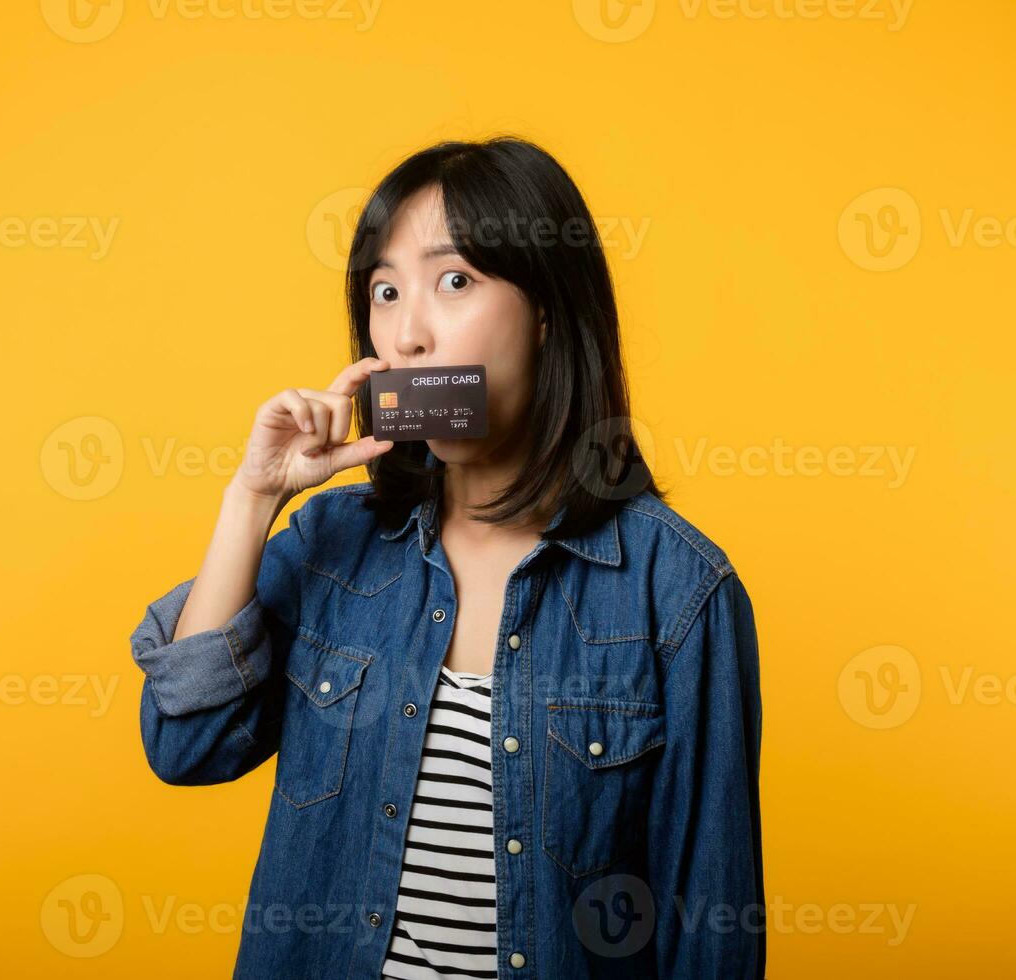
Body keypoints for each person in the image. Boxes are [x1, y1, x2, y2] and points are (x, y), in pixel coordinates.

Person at [130, 136, 764, 979]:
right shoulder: (331, 547)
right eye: (384, 292)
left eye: (454, 281)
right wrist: (251, 502)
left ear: (546, 309)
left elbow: (708, 933)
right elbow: (188, 746)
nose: (409, 333)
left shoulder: (680, 594)